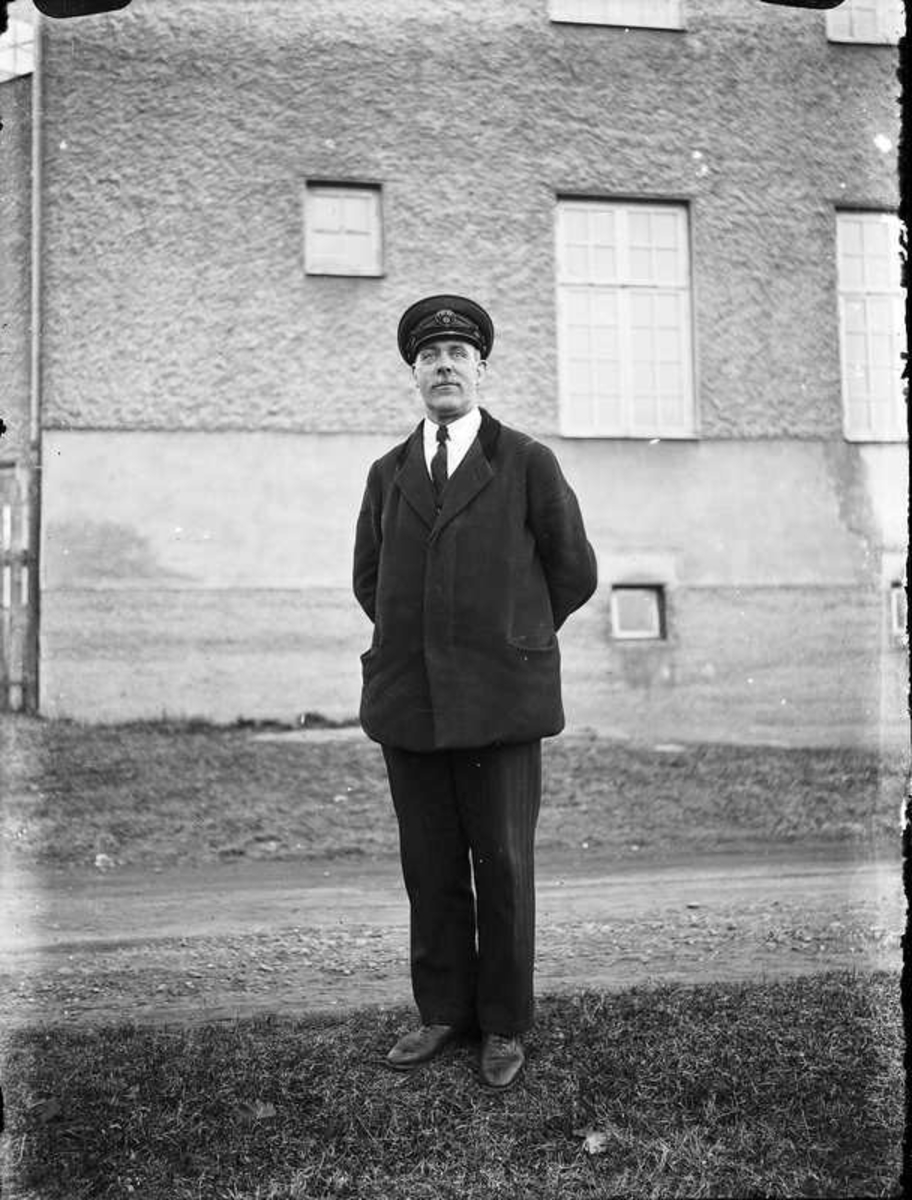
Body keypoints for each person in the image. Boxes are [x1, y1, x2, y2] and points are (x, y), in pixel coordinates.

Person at [352, 294, 597, 1089]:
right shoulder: (388, 472)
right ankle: (443, 1013)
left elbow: (573, 570)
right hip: (411, 702)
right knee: (429, 868)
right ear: (415, 375)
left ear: (481, 369)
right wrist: (423, 644)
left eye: (458, 354)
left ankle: (503, 1024)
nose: (444, 367)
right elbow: (369, 580)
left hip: (501, 702)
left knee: (504, 867)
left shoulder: (526, 461)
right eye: (430, 357)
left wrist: (512, 638)